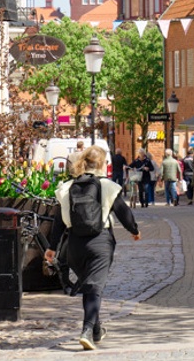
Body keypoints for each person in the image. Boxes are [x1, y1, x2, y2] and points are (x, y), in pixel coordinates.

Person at [44, 146, 140, 350]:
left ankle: (96, 330)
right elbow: (123, 212)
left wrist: (52, 247)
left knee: (89, 286)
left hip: (74, 246)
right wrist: (134, 230)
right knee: (95, 288)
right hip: (100, 242)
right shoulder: (107, 186)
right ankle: (87, 330)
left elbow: (59, 222)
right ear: (102, 164)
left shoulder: (67, 187)